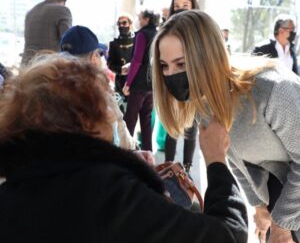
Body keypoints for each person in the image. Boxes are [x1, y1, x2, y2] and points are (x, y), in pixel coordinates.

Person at [0, 54, 248, 243]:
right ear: (85, 119)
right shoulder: (109, 195)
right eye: (105, 102)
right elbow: (227, 236)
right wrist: (216, 160)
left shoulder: (9, 198)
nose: (111, 113)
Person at [152, 10, 300, 243]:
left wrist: (283, 223)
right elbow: (234, 156)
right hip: (282, 201)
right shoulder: (204, 102)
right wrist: (259, 204)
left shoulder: (271, 90)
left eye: (181, 63)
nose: (171, 74)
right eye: (164, 66)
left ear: (207, 56)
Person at [60, 25, 136, 150]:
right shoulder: (99, 94)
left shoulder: (52, 92)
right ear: (93, 58)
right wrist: (136, 151)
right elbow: (124, 141)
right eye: (99, 54)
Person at [164, 0, 200, 172]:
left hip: (194, 86)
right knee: (171, 129)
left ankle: (187, 168)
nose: (180, 8)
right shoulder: (166, 30)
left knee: (191, 129)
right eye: (176, 5)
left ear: (194, 7)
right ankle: (168, 167)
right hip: (171, 84)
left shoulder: (200, 32)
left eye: (186, 4)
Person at [122, 10, 159, 151]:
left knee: (130, 119)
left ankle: (125, 151)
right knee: (146, 119)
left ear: (146, 19)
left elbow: (137, 60)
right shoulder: (158, 34)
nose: (138, 20)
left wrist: (128, 83)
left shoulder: (142, 34)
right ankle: (148, 152)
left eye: (139, 17)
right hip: (152, 83)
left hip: (139, 84)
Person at [21, 0, 72, 66]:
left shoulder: (31, 12)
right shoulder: (62, 10)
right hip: (48, 68)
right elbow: (69, 42)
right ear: (64, 0)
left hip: (26, 67)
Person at [107, 13, 134, 112]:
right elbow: (110, 63)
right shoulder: (113, 44)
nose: (121, 26)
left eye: (124, 23)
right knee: (121, 112)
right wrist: (120, 70)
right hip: (120, 82)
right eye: (119, 23)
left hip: (135, 82)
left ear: (130, 24)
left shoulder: (137, 41)